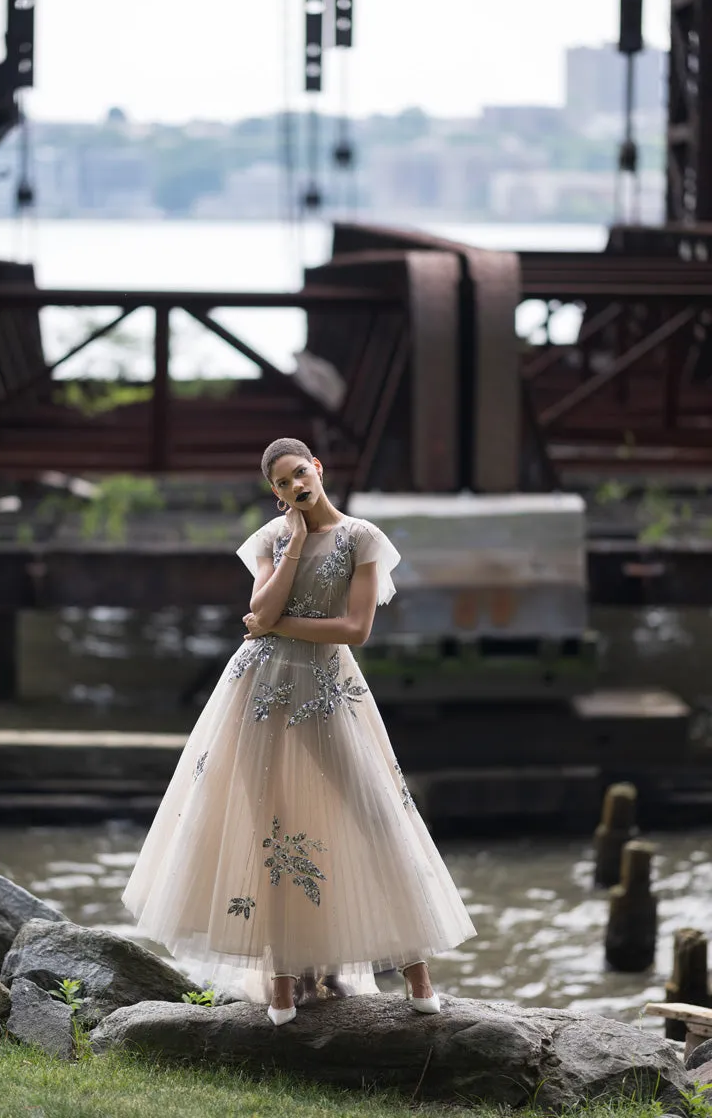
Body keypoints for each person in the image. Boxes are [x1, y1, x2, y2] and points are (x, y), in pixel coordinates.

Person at [121, 436, 476, 1025]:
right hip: (256, 691)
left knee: (377, 814)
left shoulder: (362, 538)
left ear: (317, 467)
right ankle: (281, 987)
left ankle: (416, 975)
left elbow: (354, 629)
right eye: (281, 484)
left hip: (329, 690)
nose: (294, 488)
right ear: (275, 492)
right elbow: (256, 609)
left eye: (298, 474)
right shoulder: (270, 538)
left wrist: (275, 624)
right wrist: (293, 547)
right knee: (272, 833)